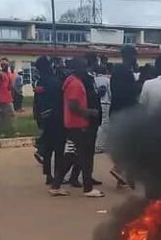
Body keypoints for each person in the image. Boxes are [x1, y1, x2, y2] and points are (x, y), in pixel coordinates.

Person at [51, 57, 104, 198]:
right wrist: (90, 112)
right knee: (85, 156)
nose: (86, 70)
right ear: (77, 68)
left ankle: (56, 186)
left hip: (72, 123)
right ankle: (88, 188)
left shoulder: (72, 81)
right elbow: (73, 106)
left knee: (71, 155)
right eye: (83, 67)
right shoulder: (75, 84)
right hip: (78, 124)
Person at [109, 45, 140, 188]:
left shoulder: (121, 70)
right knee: (130, 145)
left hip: (118, 110)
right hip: (124, 112)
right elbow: (126, 93)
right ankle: (119, 170)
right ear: (130, 56)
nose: (136, 58)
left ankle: (124, 178)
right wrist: (139, 85)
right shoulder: (123, 71)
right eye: (135, 56)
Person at [33, 56, 64, 188]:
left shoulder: (40, 81)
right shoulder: (55, 80)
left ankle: (48, 175)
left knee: (48, 148)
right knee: (58, 148)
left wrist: (38, 117)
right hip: (57, 117)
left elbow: (37, 100)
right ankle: (57, 175)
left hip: (44, 117)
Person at [0, 57, 16, 135]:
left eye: (5, 64)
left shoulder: (8, 74)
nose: (3, 65)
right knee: (4, 116)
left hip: (8, 97)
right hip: (2, 98)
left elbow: (10, 86)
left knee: (10, 115)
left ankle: (9, 130)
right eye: (2, 64)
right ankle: (3, 131)